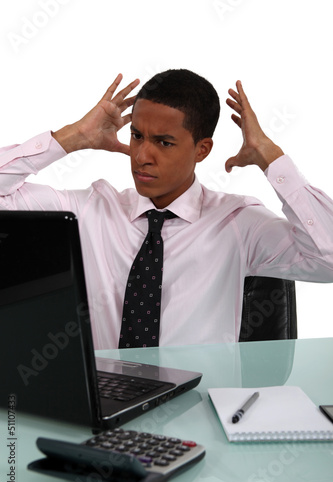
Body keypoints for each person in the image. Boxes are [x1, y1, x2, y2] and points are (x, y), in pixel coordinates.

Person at [1, 69, 333, 349]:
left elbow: (328, 260)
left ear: (202, 150)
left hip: (201, 410)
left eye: (164, 142)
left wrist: (269, 156)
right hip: (105, 404)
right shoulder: (91, 209)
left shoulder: (237, 222)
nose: (142, 155)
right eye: (137, 136)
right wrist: (72, 137)